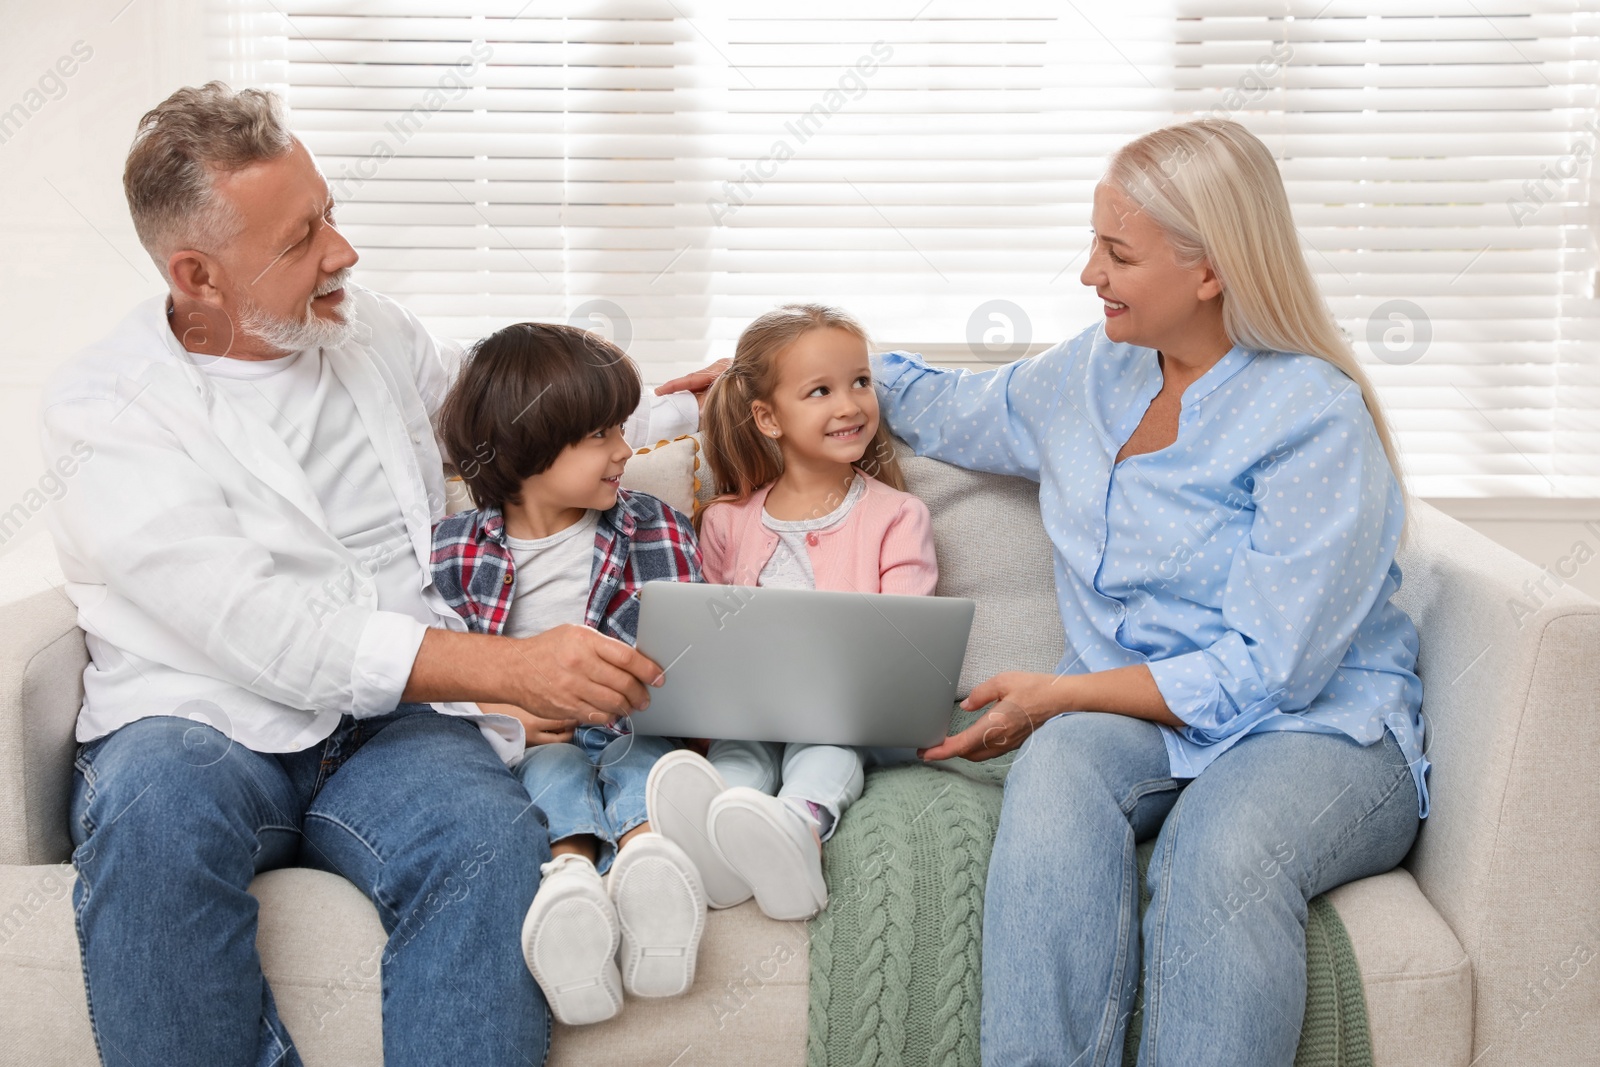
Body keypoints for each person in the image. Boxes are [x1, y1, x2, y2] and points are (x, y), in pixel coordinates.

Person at [41, 82, 712, 1067]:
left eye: (330, 214)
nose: (340, 252)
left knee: (488, 846)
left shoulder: (363, 330)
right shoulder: (105, 412)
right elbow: (264, 629)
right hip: (197, 723)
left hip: (392, 729)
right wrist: (506, 667)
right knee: (148, 823)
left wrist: (678, 409)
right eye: (301, 237)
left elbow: (498, 410)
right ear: (197, 273)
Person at [871, 118, 1428, 1066]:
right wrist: (787, 372)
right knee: (1058, 768)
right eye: (1095, 243)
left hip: (1320, 731)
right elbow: (951, 405)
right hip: (1144, 716)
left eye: (1117, 252)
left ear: (1208, 270)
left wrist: (1062, 695)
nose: (1089, 273)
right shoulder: (1091, 373)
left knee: (1220, 847)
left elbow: (1270, 672)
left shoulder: (1313, 417)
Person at [430, 320, 707, 1025]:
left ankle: (648, 868)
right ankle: (572, 881)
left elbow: (693, 654)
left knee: (649, 767)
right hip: (534, 744)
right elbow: (428, 673)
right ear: (525, 448)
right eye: (601, 436)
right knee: (550, 774)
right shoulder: (453, 549)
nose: (625, 450)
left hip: (633, 729)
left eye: (623, 428)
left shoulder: (655, 525)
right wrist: (506, 716)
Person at [644, 304, 937, 922]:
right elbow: (707, 644)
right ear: (768, 419)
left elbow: (908, 643)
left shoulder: (896, 516)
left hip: (852, 720)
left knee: (822, 745)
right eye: (821, 391)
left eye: (861, 381)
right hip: (748, 712)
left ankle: (798, 831)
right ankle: (722, 847)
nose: (851, 403)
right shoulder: (727, 521)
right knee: (736, 756)